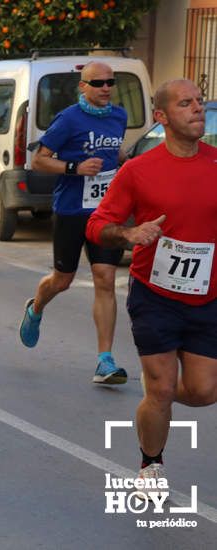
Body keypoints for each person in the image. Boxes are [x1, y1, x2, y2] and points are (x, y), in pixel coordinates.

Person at [86, 78, 217, 488]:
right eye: (185, 103)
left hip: (208, 295)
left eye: (199, 101)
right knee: (161, 390)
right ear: (161, 117)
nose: (197, 108)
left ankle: (157, 392)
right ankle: (150, 463)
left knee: (202, 391)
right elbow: (97, 225)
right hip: (154, 293)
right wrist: (128, 234)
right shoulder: (138, 171)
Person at [19, 61, 129, 385]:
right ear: (83, 86)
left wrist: (126, 163)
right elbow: (38, 159)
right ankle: (35, 308)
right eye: (98, 83)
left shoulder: (119, 116)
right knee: (62, 279)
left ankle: (105, 360)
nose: (106, 88)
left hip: (105, 212)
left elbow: (114, 150)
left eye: (110, 82)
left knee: (105, 278)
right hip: (70, 210)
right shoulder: (68, 119)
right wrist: (74, 169)